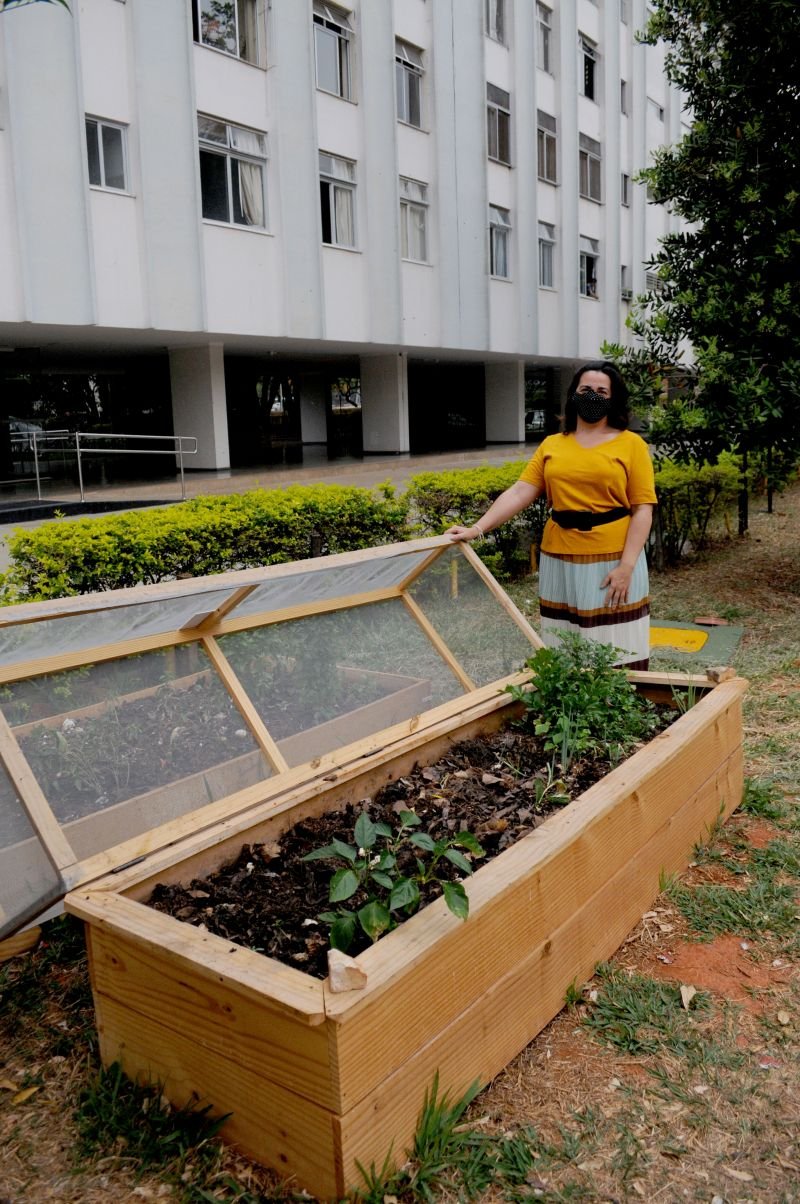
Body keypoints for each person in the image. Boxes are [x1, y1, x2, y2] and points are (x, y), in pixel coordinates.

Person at [447, 360, 657, 669]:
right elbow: (520, 491)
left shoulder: (631, 444)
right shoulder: (552, 445)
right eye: (586, 389)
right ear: (573, 395)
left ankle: (619, 710)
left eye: (602, 391)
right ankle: (568, 707)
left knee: (616, 641)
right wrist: (476, 529)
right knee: (564, 636)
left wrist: (627, 566)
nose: (593, 396)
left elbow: (642, 510)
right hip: (560, 557)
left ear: (613, 399)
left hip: (613, 560)